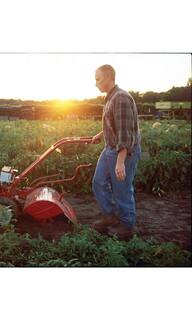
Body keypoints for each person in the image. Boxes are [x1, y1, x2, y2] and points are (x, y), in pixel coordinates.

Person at [91, 64, 141, 240]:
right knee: (98, 182)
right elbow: (113, 124)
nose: (95, 83)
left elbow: (125, 133)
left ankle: (127, 227)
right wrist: (100, 134)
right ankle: (110, 217)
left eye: (98, 79)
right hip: (110, 148)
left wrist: (120, 162)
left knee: (122, 189)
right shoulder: (110, 97)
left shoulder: (121, 98)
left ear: (109, 78)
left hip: (123, 151)